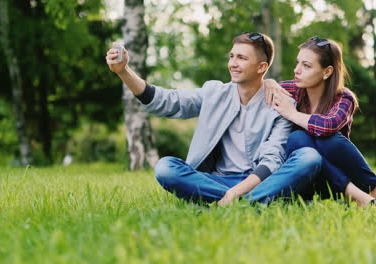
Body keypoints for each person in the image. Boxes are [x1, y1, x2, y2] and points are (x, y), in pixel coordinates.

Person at [106, 32, 322, 206]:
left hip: (258, 180)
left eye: (242, 58)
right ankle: (255, 202)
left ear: (261, 68)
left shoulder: (280, 104)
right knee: (165, 168)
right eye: (232, 56)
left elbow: (272, 159)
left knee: (309, 158)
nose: (233, 64)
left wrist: (238, 191)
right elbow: (167, 101)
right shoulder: (214, 92)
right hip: (215, 179)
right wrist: (124, 71)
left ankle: (237, 200)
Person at [265, 36, 376, 208]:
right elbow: (252, 87)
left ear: (327, 72)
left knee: (328, 139)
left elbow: (328, 126)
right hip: (304, 181)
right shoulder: (291, 90)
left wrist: (292, 114)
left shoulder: (343, 97)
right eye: (298, 63)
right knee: (298, 138)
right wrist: (268, 82)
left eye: (306, 65)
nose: (297, 70)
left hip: (335, 183)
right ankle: (360, 198)